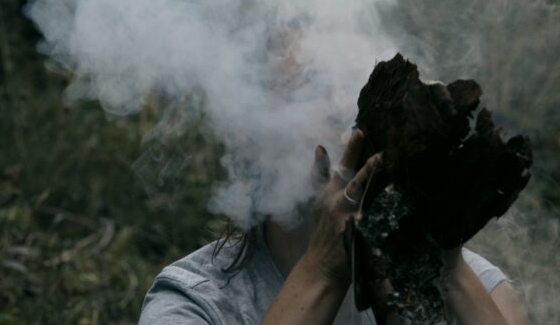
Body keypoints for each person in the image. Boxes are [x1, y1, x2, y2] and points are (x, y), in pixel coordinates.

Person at [139, 130, 529, 324]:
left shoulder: (477, 282)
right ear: (252, 136)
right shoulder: (193, 302)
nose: (338, 107)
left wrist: (447, 272)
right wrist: (322, 268)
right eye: (306, 85)